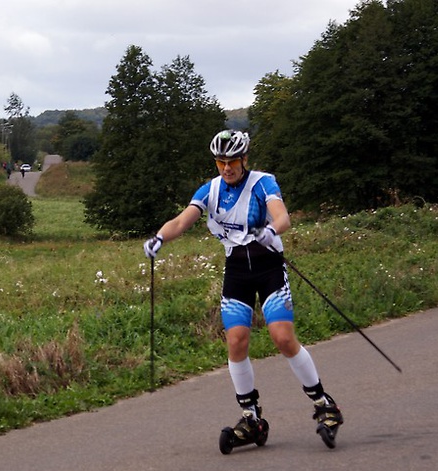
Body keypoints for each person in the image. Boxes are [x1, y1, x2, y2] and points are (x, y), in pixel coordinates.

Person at [142, 129, 343, 452]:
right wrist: (159, 238)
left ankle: (325, 405)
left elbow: (283, 217)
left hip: (268, 266)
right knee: (236, 341)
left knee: (282, 337)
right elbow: (181, 221)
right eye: (221, 162)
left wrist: (271, 230)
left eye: (232, 161)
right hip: (237, 270)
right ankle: (251, 418)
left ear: (244, 159)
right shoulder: (211, 190)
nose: (227, 168)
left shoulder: (263, 183)